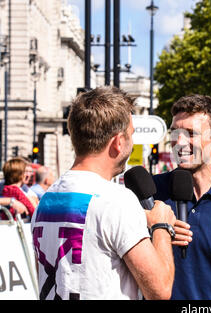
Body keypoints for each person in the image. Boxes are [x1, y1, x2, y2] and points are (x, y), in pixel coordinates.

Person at [31, 87, 180, 300]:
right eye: (131, 135)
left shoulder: (47, 200)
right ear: (118, 142)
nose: (131, 142)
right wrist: (161, 226)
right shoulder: (116, 201)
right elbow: (160, 290)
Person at [153, 94, 211, 299]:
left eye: (191, 133)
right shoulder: (150, 193)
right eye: (175, 132)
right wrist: (155, 231)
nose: (180, 142)